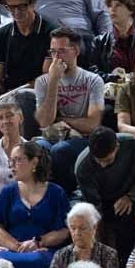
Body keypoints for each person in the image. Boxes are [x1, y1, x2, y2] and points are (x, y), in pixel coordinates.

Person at [0, 140, 70, 268]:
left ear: (34, 162)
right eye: (11, 161)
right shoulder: (8, 192)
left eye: (18, 160)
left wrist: (38, 242)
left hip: (44, 250)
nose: (12, 166)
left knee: (34, 261)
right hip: (12, 248)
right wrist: (17, 247)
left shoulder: (56, 192)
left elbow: (64, 230)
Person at [34, 27, 106, 192]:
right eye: (53, 52)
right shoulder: (43, 82)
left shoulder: (93, 80)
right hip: (52, 135)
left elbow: (93, 124)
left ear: (76, 51)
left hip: (83, 138)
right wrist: (53, 81)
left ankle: (67, 194)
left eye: (62, 51)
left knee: (60, 150)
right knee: (37, 148)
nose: (56, 57)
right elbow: (45, 121)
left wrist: (63, 119)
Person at [0, 0, 58, 132]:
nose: (16, 13)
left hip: (38, 95)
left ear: (33, 3)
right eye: (11, 8)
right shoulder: (3, 35)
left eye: (21, 7)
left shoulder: (50, 32)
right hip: (8, 96)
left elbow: (46, 77)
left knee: (24, 98)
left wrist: (17, 92)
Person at [75, 127, 135, 265]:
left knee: (125, 216)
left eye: (107, 161)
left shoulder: (132, 146)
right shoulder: (82, 166)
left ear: (117, 147)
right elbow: (94, 208)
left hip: (126, 195)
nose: (102, 165)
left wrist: (130, 196)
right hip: (96, 200)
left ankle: (124, 263)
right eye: (98, 161)